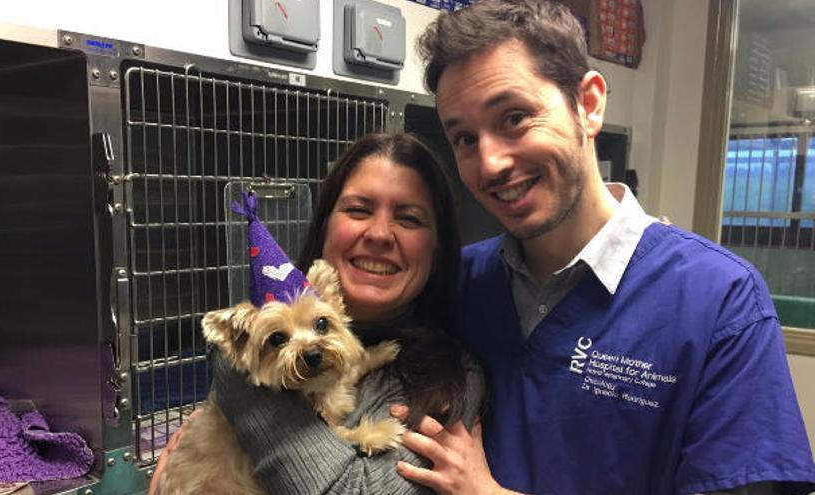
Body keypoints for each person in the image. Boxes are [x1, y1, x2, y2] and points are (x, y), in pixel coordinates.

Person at [392, 1, 815, 495]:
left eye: (514, 117)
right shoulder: (459, 283)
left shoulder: (719, 300)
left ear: (589, 104)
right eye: (464, 138)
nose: (490, 163)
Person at [148, 132, 485, 494]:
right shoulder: (242, 350)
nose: (380, 234)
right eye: (358, 210)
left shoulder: (453, 379)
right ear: (324, 226)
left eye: (409, 218)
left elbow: (351, 491)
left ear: (437, 252)